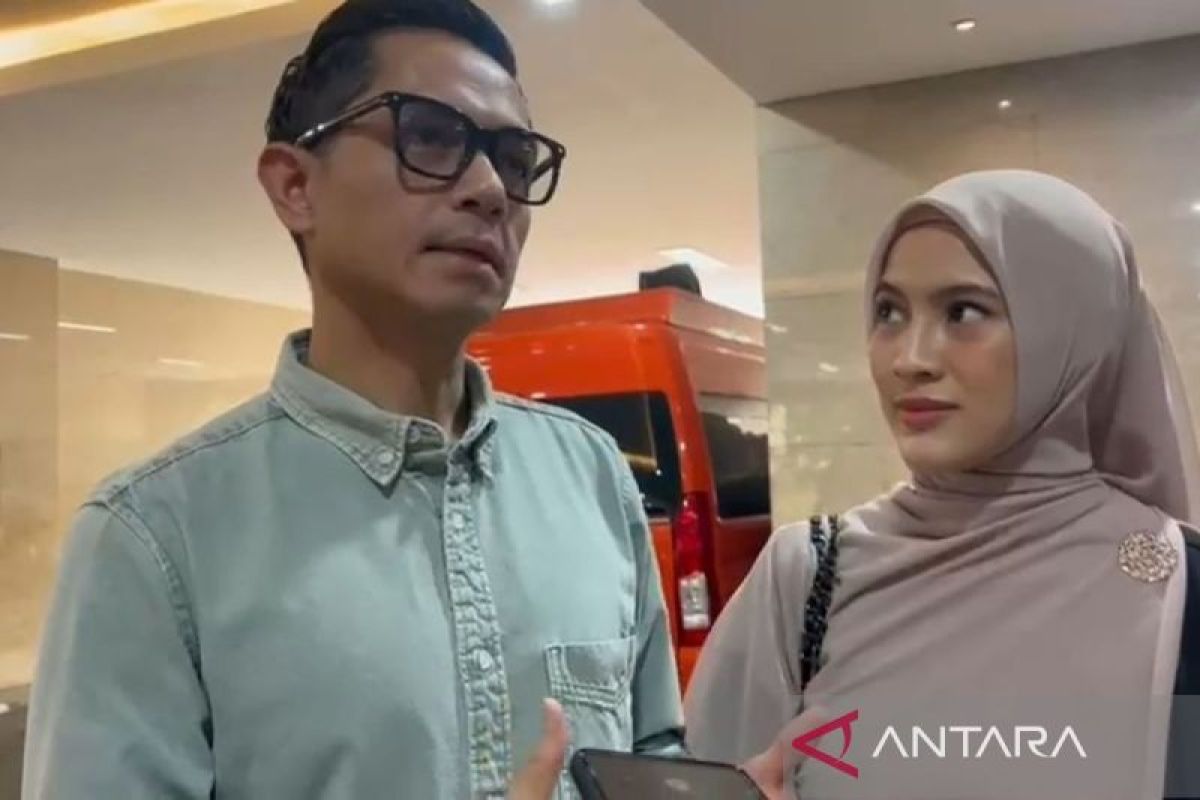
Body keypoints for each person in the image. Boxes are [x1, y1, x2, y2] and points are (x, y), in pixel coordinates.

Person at [22, 1, 684, 797]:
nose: (489, 189)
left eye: (514, 160)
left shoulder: (591, 475)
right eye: (430, 136)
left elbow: (652, 756)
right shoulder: (156, 536)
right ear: (295, 186)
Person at [684, 170, 1200, 799]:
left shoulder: (1181, 589)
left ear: (1072, 330)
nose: (911, 358)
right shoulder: (808, 577)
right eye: (888, 312)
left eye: (963, 312)